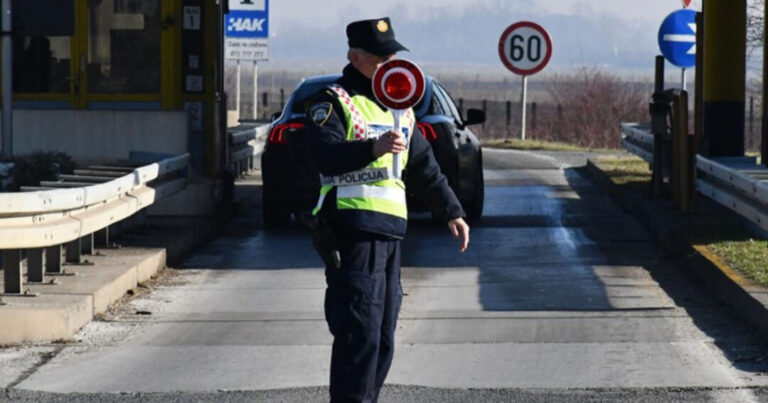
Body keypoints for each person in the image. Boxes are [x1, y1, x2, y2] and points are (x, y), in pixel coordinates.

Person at [306, 17, 470, 403]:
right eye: (381, 57)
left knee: (382, 337)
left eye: (392, 56)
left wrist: (451, 211)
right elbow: (324, 154)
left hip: (391, 234)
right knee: (358, 334)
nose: (389, 63)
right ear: (355, 57)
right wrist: (372, 147)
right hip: (353, 230)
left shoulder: (402, 109)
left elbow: (425, 168)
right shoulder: (333, 101)